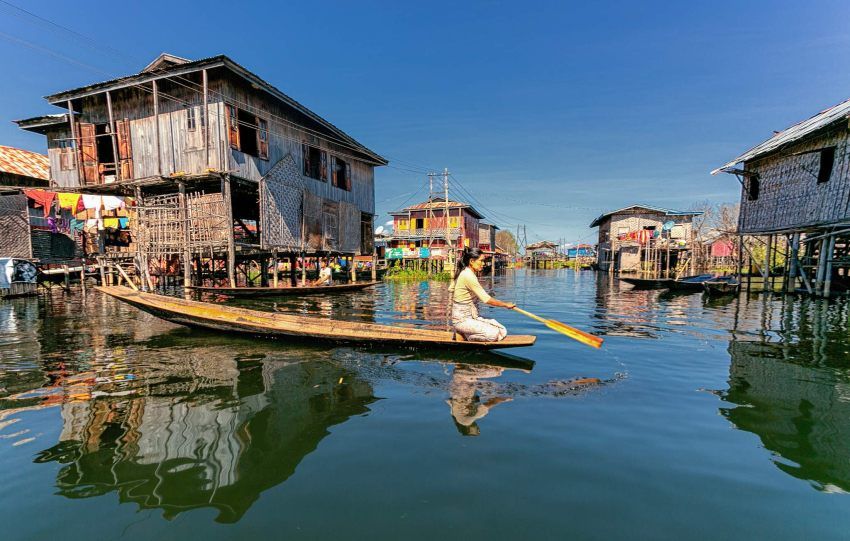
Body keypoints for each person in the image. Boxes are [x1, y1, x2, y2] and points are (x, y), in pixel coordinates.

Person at [450, 248, 515, 342]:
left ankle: (464, 333)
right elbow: (486, 299)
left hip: (471, 317)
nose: (483, 264)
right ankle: (465, 336)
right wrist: (505, 304)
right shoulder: (467, 275)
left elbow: (451, 289)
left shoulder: (466, 273)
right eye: (481, 261)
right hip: (461, 321)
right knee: (493, 335)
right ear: (472, 261)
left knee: (501, 331)